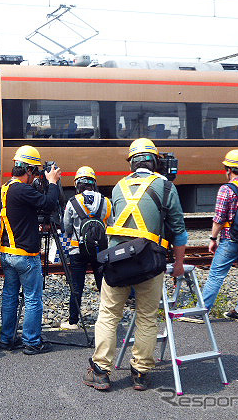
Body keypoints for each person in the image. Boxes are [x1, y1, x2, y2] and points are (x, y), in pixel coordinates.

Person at [83, 138, 187, 391]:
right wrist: (180, 264)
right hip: (150, 262)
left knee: (109, 314)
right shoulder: (165, 187)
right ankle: (140, 373)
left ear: (132, 163)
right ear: (155, 161)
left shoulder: (119, 186)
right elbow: (179, 230)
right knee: (147, 317)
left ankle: (101, 371)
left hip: (118, 260)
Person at [0, 145, 61, 354]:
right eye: (35, 171)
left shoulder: (7, 187)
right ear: (30, 170)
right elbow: (49, 203)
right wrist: (52, 182)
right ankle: (32, 342)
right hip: (24, 255)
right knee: (33, 298)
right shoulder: (23, 189)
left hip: (7, 252)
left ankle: (7, 339)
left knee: (10, 296)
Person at [201, 149, 238, 324]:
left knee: (216, 275)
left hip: (230, 239)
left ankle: (201, 312)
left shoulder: (226, 189)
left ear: (228, 169)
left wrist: (213, 239)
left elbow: (219, 218)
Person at [61, 166, 113, 330]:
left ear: (77, 184)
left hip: (78, 251)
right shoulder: (106, 201)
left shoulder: (72, 202)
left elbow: (66, 228)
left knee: (76, 286)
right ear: (94, 183)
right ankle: (107, 320)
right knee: (103, 286)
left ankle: (73, 321)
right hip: (100, 250)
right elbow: (111, 226)